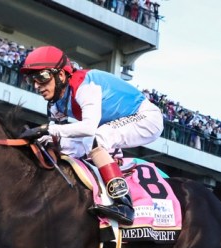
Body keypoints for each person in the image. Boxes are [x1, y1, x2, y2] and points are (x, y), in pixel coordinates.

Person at [17, 45, 164, 225]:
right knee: (60, 143)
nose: (37, 86)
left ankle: (124, 204)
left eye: (42, 77)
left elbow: (88, 128)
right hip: (111, 124)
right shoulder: (56, 104)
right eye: (33, 79)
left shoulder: (84, 86)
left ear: (61, 75)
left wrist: (47, 129)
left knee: (97, 139)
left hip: (146, 118)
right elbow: (60, 140)